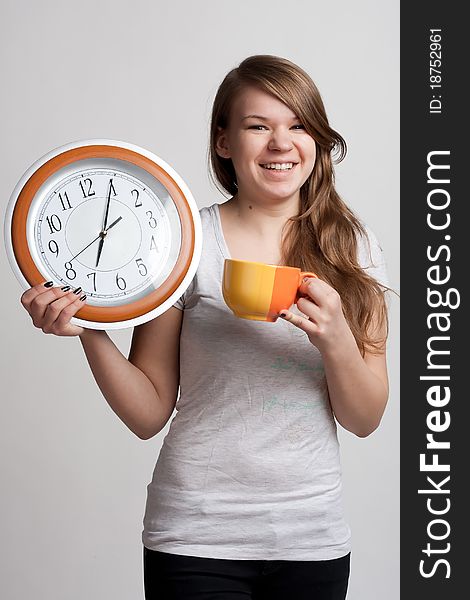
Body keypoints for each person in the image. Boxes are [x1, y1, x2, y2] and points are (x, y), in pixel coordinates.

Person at [20, 55, 390, 599]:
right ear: (224, 142)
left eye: (298, 125)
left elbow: (365, 419)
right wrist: (91, 329)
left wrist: (334, 337)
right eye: (258, 126)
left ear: (317, 140)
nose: (281, 143)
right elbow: (148, 415)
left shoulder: (355, 249)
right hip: (195, 537)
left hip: (311, 538)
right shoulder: (183, 245)